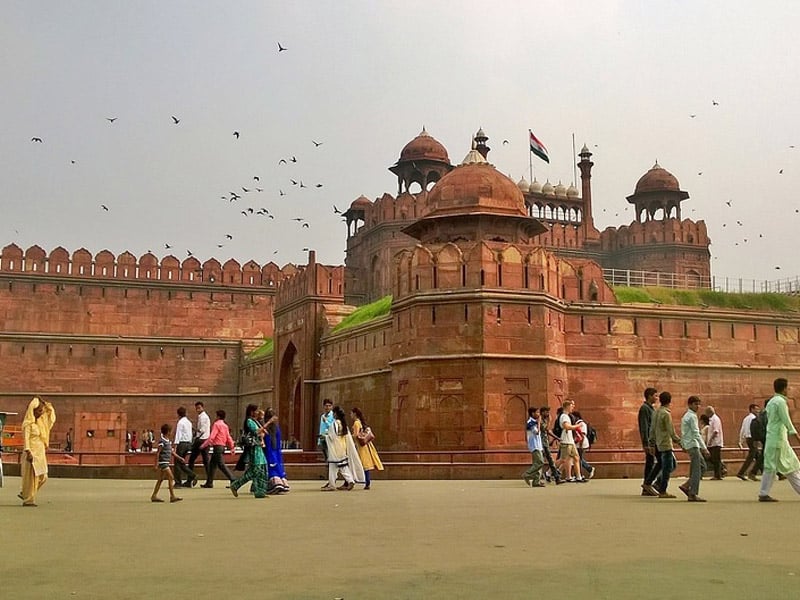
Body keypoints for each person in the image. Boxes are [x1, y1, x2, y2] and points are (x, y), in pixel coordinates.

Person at [758, 378, 800, 502]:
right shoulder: (780, 402)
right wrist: (796, 436)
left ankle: (763, 492)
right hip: (778, 440)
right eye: (787, 388)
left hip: (774, 438)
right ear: (784, 388)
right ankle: (763, 493)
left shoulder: (771, 402)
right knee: (791, 466)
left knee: (773, 466)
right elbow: (786, 420)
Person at [20, 397, 55, 507]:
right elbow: (26, 438)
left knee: (43, 477)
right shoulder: (28, 424)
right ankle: (28, 500)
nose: (41, 413)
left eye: (41, 411)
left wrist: (46, 405)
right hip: (32, 452)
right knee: (32, 478)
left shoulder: (40, 424)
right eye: (39, 411)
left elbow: (51, 418)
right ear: (33, 411)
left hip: (40, 452)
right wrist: (28, 451)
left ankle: (25, 493)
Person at [230, 404, 269, 499]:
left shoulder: (255, 421)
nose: (257, 412)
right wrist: (268, 423)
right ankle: (236, 485)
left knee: (263, 469)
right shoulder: (249, 421)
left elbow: (263, 433)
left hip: (259, 448)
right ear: (252, 412)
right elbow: (256, 432)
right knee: (255, 471)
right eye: (256, 411)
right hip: (254, 449)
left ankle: (260, 491)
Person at [323, 405, 364, 491]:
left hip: (335, 448)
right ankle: (349, 481)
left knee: (334, 467)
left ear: (335, 414)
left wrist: (325, 436)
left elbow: (332, 437)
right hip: (342, 447)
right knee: (342, 467)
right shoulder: (343, 424)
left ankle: (333, 484)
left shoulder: (335, 424)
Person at [650, 391, 682, 498]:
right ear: (670, 401)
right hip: (666, 444)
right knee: (667, 467)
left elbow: (652, 429)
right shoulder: (666, 414)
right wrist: (680, 442)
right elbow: (671, 431)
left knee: (671, 464)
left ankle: (658, 483)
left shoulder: (656, 412)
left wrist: (651, 441)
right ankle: (662, 489)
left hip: (658, 443)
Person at [680, 396, 710, 502]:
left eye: (698, 404)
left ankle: (687, 485)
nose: (697, 406)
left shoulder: (686, 416)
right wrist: (704, 448)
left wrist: (683, 444)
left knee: (700, 467)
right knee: (697, 469)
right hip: (693, 444)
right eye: (695, 404)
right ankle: (692, 493)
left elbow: (684, 432)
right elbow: (696, 433)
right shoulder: (692, 416)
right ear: (690, 404)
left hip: (690, 444)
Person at [200, 409, 236, 488]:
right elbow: (228, 437)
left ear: (218, 416)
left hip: (217, 447)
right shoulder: (225, 426)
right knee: (212, 465)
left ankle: (233, 479)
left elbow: (212, 437)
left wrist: (204, 445)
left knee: (221, 465)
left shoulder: (216, 424)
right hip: (222, 446)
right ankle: (209, 482)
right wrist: (232, 447)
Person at [351, 407, 384, 490]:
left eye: (351, 413)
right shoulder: (360, 422)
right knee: (365, 464)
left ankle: (354, 481)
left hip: (359, 446)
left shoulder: (356, 423)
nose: (350, 415)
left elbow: (355, 435)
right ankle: (367, 481)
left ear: (354, 414)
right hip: (365, 445)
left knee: (360, 464)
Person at [151, 423, 183, 503]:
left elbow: (172, 452)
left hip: (166, 462)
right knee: (171, 477)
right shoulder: (162, 441)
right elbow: (158, 453)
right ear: (168, 432)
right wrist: (156, 464)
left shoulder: (168, 441)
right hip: (163, 462)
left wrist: (179, 458)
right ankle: (172, 496)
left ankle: (154, 495)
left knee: (160, 479)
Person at [555, 400, 585, 483]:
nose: (573, 407)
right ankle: (549, 472)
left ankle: (578, 477)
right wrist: (578, 426)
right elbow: (567, 427)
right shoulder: (564, 416)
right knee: (563, 459)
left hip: (570, 440)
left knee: (576, 458)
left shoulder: (567, 416)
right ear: (567, 406)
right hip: (566, 440)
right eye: (572, 405)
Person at [639, 387, 661, 496]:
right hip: (650, 442)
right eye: (655, 395)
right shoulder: (644, 409)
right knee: (653, 462)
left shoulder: (650, 408)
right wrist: (646, 443)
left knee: (651, 462)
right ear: (649, 396)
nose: (657, 398)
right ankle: (647, 485)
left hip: (653, 440)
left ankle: (647, 485)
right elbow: (644, 426)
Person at [263, 407, 290, 494]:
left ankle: (276, 483)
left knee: (273, 467)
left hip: (271, 451)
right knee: (276, 466)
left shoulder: (270, 428)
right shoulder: (272, 428)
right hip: (274, 451)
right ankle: (279, 482)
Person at [173, 406, 197, 487]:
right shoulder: (189, 422)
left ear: (178, 414)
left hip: (181, 443)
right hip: (188, 443)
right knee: (181, 462)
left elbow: (178, 434)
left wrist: (175, 445)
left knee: (177, 463)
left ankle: (178, 482)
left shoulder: (180, 423)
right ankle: (191, 475)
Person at [188, 401, 211, 482]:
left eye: (199, 408)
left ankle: (190, 478)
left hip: (201, 440)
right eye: (197, 408)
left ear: (202, 407)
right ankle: (209, 480)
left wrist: (194, 429)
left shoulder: (203, 417)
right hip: (205, 440)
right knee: (206, 461)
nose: (198, 410)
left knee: (192, 460)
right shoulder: (202, 416)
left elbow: (202, 430)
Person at [522, 407, 545, 487]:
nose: (539, 414)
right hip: (534, 445)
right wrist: (538, 423)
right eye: (537, 412)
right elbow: (537, 432)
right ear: (532, 413)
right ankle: (527, 474)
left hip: (538, 445)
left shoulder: (534, 422)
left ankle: (536, 481)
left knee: (537, 463)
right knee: (540, 462)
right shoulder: (530, 422)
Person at [737, 403, 761, 481]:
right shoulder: (754, 418)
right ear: (752, 409)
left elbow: (742, 429)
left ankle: (773, 472)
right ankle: (741, 472)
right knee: (752, 456)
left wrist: (741, 440)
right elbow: (756, 429)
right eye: (756, 409)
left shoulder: (746, 418)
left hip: (748, 438)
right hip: (753, 438)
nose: (758, 411)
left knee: (758, 455)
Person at [539, 406, 561, 484]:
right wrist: (549, 421)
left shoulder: (544, 419)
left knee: (550, 460)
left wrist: (557, 438)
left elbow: (548, 431)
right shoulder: (539, 420)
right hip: (540, 443)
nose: (548, 413)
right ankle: (537, 478)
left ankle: (557, 477)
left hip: (545, 442)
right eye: (546, 412)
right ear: (542, 412)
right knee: (540, 461)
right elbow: (545, 428)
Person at [573, 411, 595, 480]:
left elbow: (582, 435)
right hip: (579, 443)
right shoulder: (578, 423)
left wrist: (580, 445)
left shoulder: (581, 424)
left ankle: (585, 471)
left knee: (578, 459)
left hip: (581, 444)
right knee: (578, 459)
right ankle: (580, 473)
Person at [704, 406, 724, 479]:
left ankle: (718, 474)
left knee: (714, 459)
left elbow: (715, 431)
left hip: (715, 442)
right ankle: (719, 471)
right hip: (712, 443)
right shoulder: (711, 419)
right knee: (713, 458)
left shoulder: (715, 419)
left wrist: (710, 440)